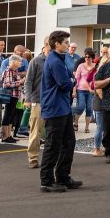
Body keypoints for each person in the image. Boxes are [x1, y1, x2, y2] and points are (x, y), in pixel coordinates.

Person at [39, 30, 81, 193]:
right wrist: (72, 79)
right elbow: (65, 83)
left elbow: (68, 80)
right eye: (65, 43)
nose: (68, 45)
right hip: (54, 108)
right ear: (56, 44)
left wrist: (71, 79)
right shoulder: (55, 61)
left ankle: (63, 177)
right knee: (53, 145)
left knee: (69, 143)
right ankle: (47, 181)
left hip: (62, 107)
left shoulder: (59, 59)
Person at [24, 42, 49, 168]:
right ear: (46, 45)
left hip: (53, 101)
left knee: (52, 132)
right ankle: (33, 158)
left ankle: (51, 158)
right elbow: (28, 81)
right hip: (37, 100)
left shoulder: (59, 60)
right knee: (35, 131)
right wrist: (27, 99)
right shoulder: (36, 61)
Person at [0, 55, 26, 144]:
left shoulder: (14, 71)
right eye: (19, 61)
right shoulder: (9, 71)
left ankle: (8, 135)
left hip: (14, 96)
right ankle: (4, 136)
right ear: (13, 62)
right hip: (10, 95)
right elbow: (7, 84)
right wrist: (20, 82)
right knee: (8, 115)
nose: (21, 63)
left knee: (11, 115)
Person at [73, 48, 97, 134]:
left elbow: (97, 79)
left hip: (91, 91)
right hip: (81, 90)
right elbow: (76, 79)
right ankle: (75, 123)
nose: (87, 58)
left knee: (89, 109)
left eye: (89, 57)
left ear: (92, 58)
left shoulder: (95, 66)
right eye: (86, 56)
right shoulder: (81, 66)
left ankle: (87, 127)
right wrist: (74, 91)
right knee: (80, 107)